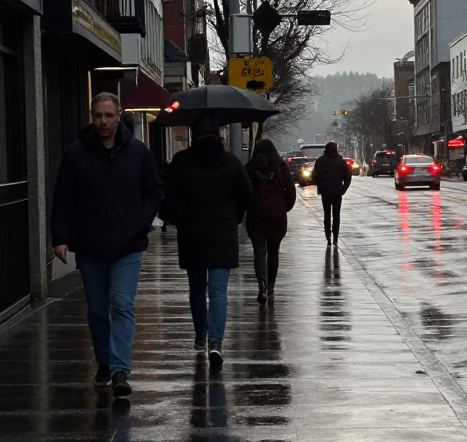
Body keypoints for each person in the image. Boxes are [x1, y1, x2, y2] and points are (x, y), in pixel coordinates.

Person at [51, 92, 163, 402]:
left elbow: (154, 191)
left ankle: (119, 371)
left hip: (128, 245)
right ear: (92, 116)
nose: (103, 121)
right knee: (98, 310)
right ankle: (104, 362)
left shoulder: (138, 153)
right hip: (89, 244)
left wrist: (141, 223)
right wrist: (59, 236)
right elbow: (63, 198)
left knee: (122, 304)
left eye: (108, 116)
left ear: (119, 115)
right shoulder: (76, 154)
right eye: (98, 115)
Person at [162, 116, 252, 366]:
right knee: (218, 290)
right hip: (223, 233)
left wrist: (175, 219)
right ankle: (216, 341)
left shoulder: (181, 162)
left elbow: (169, 198)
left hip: (192, 232)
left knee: (197, 288)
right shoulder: (231, 163)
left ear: (193, 135)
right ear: (219, 135)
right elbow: (246, 196)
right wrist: (234, 216)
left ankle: (200, 334)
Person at [245, 138, 297, 304]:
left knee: (259, 251)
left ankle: (262, 284)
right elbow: (290, 191)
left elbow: (243, 191)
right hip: (277, 215)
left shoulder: (249, 168)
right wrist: (283, 207)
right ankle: (272, 287)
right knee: (273, 251)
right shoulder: (281, 167)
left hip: (256, 214)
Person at [311, 140, 352, 245]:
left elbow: (314, 176)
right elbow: (348, 177)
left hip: (325, 192)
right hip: (337, 192)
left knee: (327, 214)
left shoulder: (320, 161)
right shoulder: (341, 162)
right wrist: (343, 189)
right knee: (336, 214)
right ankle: (335, 237)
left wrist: (319, 186)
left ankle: (328, 236)